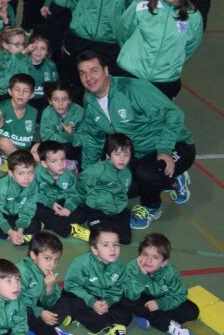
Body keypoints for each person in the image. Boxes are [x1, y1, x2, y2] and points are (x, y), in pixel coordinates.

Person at [73, 52, 195, 231]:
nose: (88, 77)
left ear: (106, 71)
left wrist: (165, 149)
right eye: (82, 73)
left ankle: (152, 208)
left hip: (176, 145)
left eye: (94, 70)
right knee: (120, 188)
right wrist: (88, 175)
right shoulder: (90, 101)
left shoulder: (132, 89)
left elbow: (174, 114)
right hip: (136, 153)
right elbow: (93, 139)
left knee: (147, 174)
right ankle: (170, 181)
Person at [117, 0, 203, 99]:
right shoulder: (141, 5)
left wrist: (170, 64)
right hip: (130, 74)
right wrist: (129, 55)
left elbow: (190, 47)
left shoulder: (193, 17)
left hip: (164, 81)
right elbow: (123, 31)